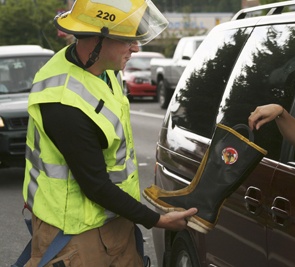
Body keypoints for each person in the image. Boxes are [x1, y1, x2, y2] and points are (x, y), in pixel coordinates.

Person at [22, 0, 197, 266]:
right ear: (97, 40)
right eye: (128, 40)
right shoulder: (62, 101)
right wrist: (156, 220)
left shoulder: (104, 69)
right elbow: (95, 185)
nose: (136, 48)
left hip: (114, 216)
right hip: (74, 232)